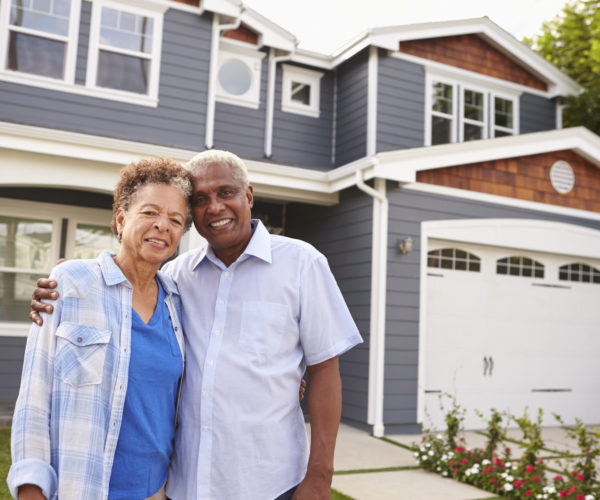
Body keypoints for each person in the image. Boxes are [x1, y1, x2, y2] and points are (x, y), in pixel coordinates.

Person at [30, 150, 363, 500]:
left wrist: (321, 475)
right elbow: (127, 278)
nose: (214, 207)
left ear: (247, 195)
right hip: (184, 484)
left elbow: (325, 368)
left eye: (226, 192)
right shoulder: (176, 277)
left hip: (269, 482)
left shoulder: (302, 263)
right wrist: (69, 285)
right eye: (201, 200)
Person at [10, 158, 193, 500]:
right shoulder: (70, 283)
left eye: (175, 220)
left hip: (158, 492)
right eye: (150, 213)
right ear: (121, 220)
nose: (162, 226)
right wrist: (31, 490)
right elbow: (34, 400)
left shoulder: (180, 304)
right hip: (82, 488)